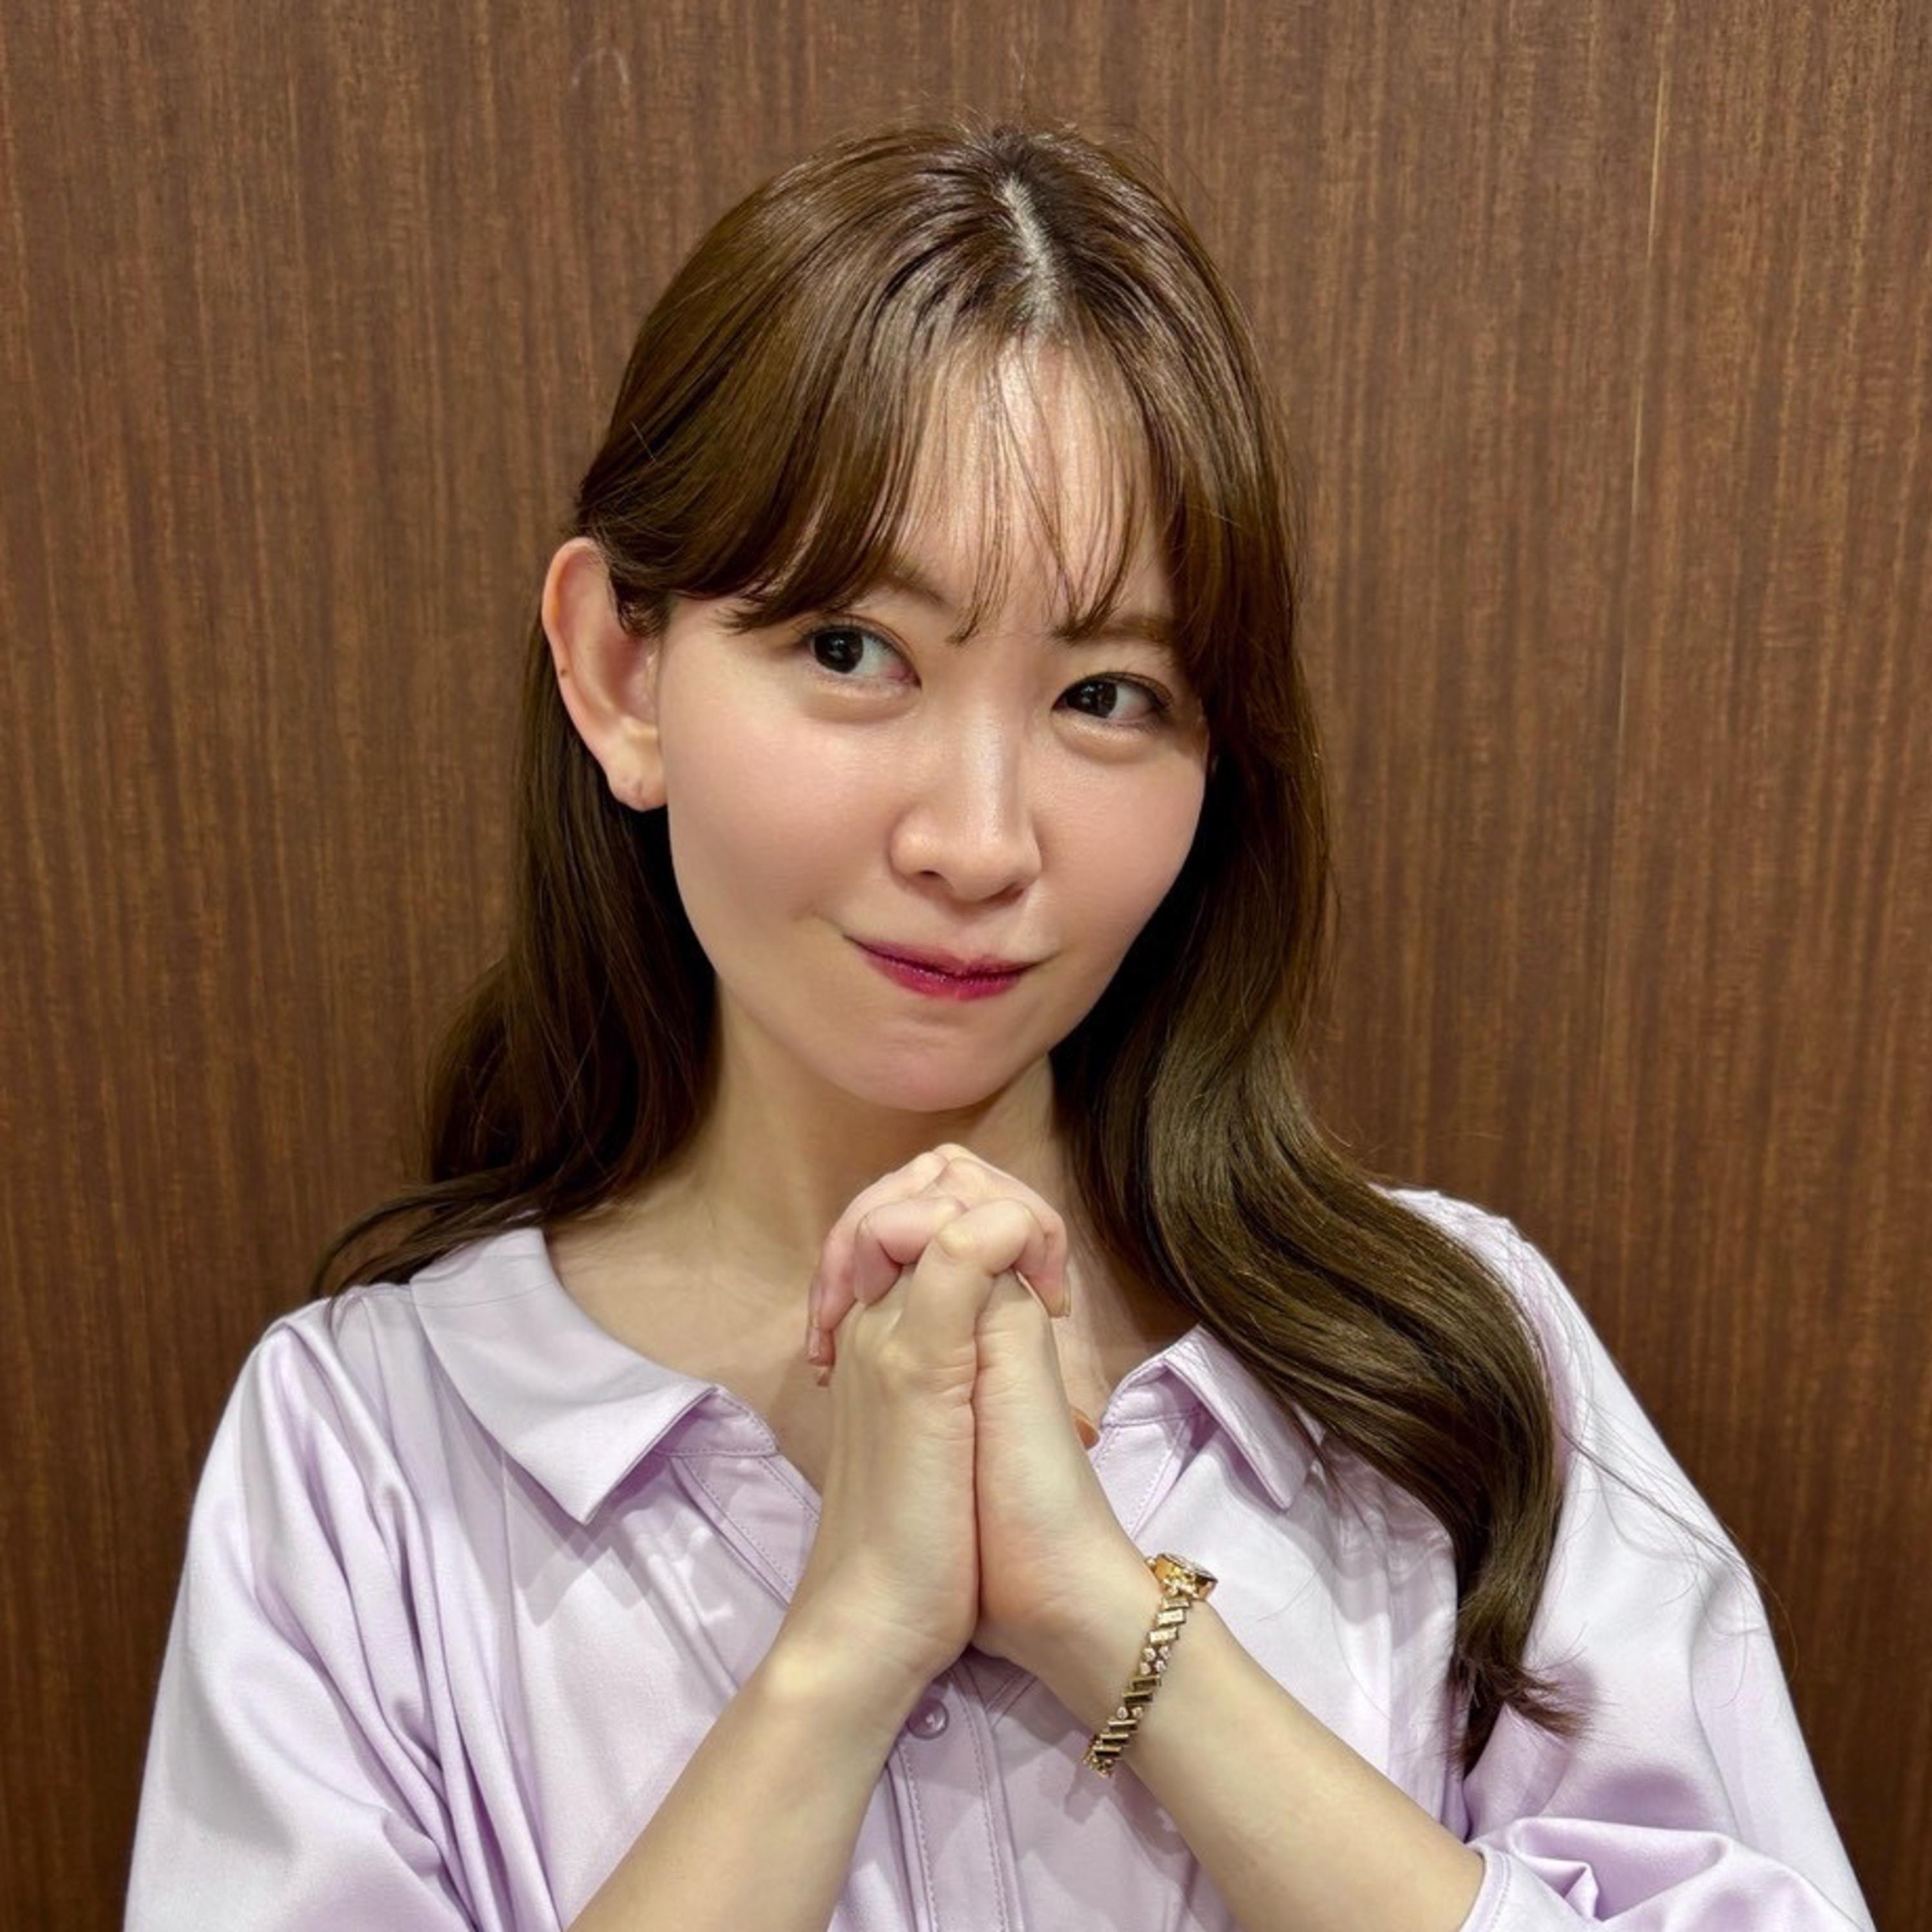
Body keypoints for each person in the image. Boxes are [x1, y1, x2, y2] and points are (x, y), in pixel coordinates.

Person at [125, 117, 1874, 1932]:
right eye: (851, 651)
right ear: (622, 672)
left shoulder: (1455, 1375)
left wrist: (1111, 1623)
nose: (977, 843)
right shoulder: (367, 1455)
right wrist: (842, 1659)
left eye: (1107, 694)